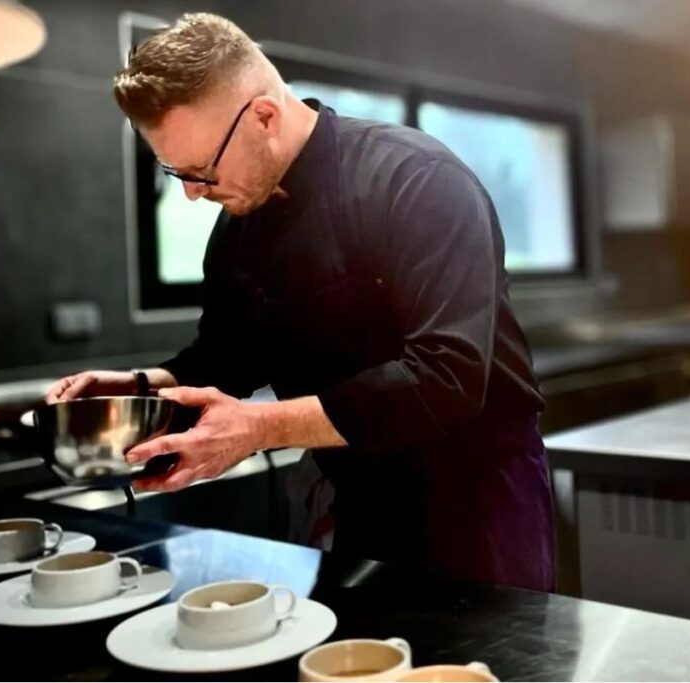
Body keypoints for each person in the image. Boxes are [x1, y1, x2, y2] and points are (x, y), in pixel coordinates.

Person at [46, 12, 555, 591]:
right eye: (175, 173)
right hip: (357, 492)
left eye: (202, 171)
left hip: (475, 495)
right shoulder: (240, 227)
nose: (191, 195)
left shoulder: (417, 180)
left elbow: (448, 377)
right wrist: (136, 388)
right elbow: (225, 358)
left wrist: (260, 428)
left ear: (264, 116)